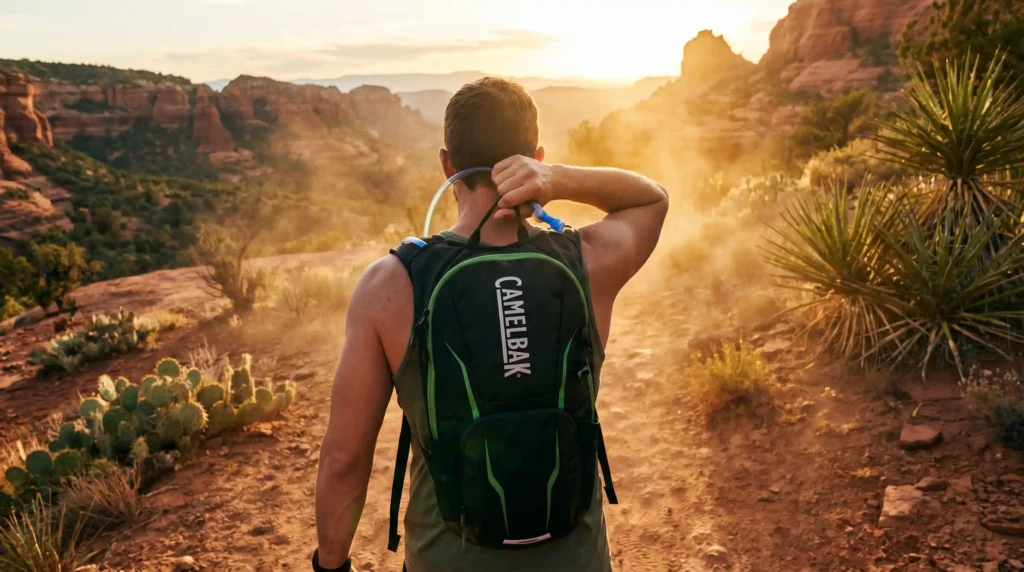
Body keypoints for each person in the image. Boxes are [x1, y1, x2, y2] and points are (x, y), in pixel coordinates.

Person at [314, 77, 668, 572]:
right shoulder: (586, 261)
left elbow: (346, 460)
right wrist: (558, 178)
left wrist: (330, 565)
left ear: (446, 165)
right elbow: (652, 199)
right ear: (536, 155)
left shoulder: (391, 284)